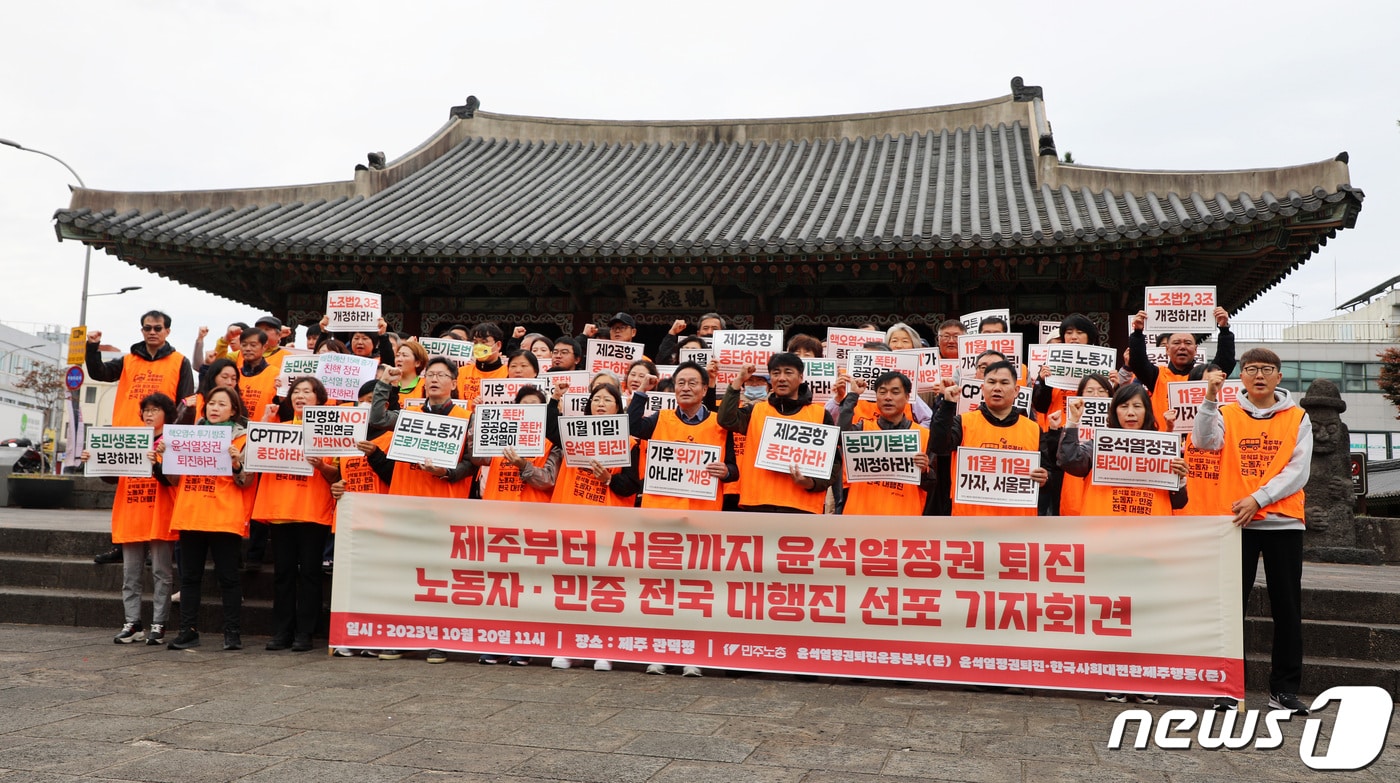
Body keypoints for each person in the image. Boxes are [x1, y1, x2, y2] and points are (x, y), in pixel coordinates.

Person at [1193, 348, 1312, 715]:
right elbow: (1203, 442)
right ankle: (1228, 688)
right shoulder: (1227, 412)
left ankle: (1285, 690)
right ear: (1241, 377)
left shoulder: (1298, 416)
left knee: (1287, 609)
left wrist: (1258, 499)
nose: (1258, 375)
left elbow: (1298, 471)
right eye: (1251, 369)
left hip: (1283, 522)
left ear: (1279, 376)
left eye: (1267, 369)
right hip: (1236, 524)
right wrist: (1210, 398)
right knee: (1230, 608)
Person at [86, 310, 196, 564]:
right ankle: (123, 546)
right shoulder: (128, 360)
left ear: (167, 331)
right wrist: (92, 347)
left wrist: (174, 439)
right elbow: (100, 373)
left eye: (158, 328)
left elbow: (185, 400)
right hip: (129, 437)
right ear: (142, 331)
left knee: (157, 495)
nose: (152, 332)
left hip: (161, 440)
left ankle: (156, 546)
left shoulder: (180, 361)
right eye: (147, 328)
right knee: (127, 495)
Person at [545, 380, 640, 672]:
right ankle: (571, 648)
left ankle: (605, 649)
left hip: (608, 527)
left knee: (604, 591)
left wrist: (608, 479)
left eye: (608, 400)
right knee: (573, 588)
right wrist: (554, 400)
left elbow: (630, 486)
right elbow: (550, 431)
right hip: (572, 523)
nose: (600, 403)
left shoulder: (630, 441)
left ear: (618, 408)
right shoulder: (574, 433)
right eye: (596, 398)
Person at [155, 385, 256, 651]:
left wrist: (237, 465)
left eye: (222, 404)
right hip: (191, 514)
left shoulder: (243, 439)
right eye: (211, 403)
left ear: (234, 410)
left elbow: (247, 482)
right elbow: (173, 480)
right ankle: (188, 631)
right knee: (189, 578)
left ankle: (232, 633)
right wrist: (166, 458)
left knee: (228, 578)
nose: (214, 408)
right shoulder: (186, 436)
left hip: (223, 517)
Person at [81, 392, 180, 646]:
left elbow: (174, 480)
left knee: (161, 572)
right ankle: (133, 623)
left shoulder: (172, 441)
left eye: (155, 410)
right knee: (131, 573)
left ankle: (159, 624)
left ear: (166, 415)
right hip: (132, 511)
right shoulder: (130, 438)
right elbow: (114, 475)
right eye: (146, 410)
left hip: (159, 513)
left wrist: (158, 464)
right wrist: (95, 460)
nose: (149, 414)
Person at [253, 377, 340, 653]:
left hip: (312, 511)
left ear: (320, 399)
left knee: (311, 574)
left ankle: (305, 632)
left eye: (307, 392)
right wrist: (266, 421)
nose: (300, 396)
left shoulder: (329, 432)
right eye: (296, 392)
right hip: (281, 511)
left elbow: (336, 475)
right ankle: (281, 631)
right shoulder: (276, 430)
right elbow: (254, 459)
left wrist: (321, 466)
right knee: (283, 574)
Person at [717, 353, 835, 514]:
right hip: (757, 505)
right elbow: (726, 420)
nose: (781, 378)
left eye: (788, 372)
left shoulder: (820, 414)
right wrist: (738, 381)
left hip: (801, 508)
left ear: (801, 377)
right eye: (776, 373)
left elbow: (834, 464)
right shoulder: (756, 411)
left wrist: (811, 483)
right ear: (771, 378)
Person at [929, 361, 1049, 516]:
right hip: (969, 523)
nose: (997, 388)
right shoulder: (964, 422)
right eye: (991, 382)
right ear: (982, 388)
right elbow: (938, 446)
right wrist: (947, 405)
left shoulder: (1033, 429)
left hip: (1017, 524)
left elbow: (1048, 473)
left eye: (1004, 382)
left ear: (1016, 390)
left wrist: (1045, 478)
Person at [837, 372, 934, 516]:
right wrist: (852, 396)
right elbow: (840, 437)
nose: (888, 397)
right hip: (859, 520)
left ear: (907, 397)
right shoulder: (863, 429)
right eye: (882, 392)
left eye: (895, 392)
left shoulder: (924, 435)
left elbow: (933, 485)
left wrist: (925, 470)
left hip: (904, 522)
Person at [1129, 306, 1236, 422]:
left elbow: (1226, 361)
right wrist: (1138, 332)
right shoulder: (1157, 375)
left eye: (1188, 343)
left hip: (1197, 438)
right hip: (1165, 437)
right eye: (1176, 343)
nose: (1182, 347)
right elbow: (1137, 362)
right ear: (1167, 349)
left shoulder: (1204, 375)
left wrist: (1224, 329)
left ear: (1195, 350)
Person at [1045, 373, 1115, 516]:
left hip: (1105, 499)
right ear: (1080, 395)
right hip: (1073, 493)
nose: (1096, 395)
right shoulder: (1070, 421)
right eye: (1089, 391)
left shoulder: (1120, 424)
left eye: (1102, 391)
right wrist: (1054, 431)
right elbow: (1056, 460)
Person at [457, 322, 508, 407]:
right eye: (476, 342)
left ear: (498, 345)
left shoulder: (508, 373)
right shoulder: (460, 372)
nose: (479, 346)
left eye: (484, 342)